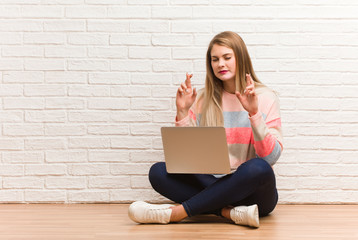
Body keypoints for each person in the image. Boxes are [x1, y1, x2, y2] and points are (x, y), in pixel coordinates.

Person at [128, 31, 283, 228]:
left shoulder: (266, 97)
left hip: (253, 193)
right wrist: (183, 112)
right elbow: (187, 159)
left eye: (227, 57)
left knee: (259, 167)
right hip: (210, 181)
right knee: (157, 172)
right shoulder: (202, 98)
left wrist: (254, 113)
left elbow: (271, 157)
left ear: (241, 58)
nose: (220, 64)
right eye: (215, 59)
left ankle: (178, 213)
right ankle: (228, 212)